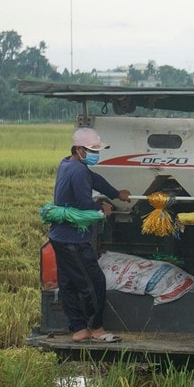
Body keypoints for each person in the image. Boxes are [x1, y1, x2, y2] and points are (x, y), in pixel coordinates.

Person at [49, 127, 131, 343]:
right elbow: (85, 202)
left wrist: (116, 194)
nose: (96, 153)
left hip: (59, 235)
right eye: (92, 149)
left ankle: (78, 328)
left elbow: (94, 179)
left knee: (67, 282)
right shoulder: (79, 171)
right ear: (79, 149)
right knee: (94, 282)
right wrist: (102, 207)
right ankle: (96, 328)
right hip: (73, 239)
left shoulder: (67, 164)